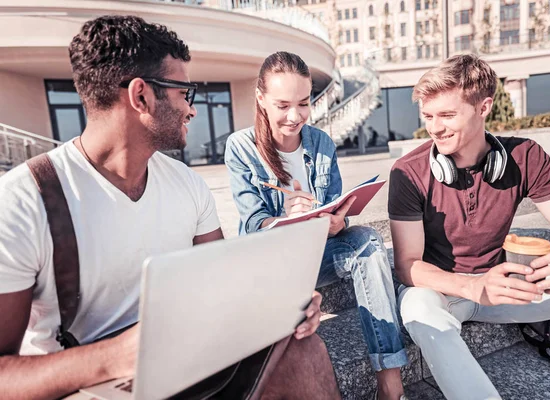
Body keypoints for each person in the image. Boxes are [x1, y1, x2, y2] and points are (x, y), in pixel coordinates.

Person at [0, 16, 340, 400]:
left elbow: (226, 281)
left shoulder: (187, 185)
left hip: (190, 356)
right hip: (88, 383)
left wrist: (282, 301)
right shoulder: (24, 200)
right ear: (141, 96)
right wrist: (117, 357)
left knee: (302, 348)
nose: (192, 109)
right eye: (184, 93)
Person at [389, 54, 550, 400]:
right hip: (444, 290)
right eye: (428, 116)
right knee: (417, 307)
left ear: (484, 107)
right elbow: (407, 265)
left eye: (446, 115)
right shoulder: (409, 172)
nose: (434, 127)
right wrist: (471, 286)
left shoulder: (526, 156)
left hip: (503, 288)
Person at [225, 51, 408, 400]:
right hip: (271, 263)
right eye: (282, 105)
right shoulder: (241, 148)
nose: (295, 116)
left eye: (303, 103)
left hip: (317, 254)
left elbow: (338, 206)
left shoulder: (321, 143)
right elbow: (251, 225)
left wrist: (339, 222)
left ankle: (390, 381)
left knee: (368, 242)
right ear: (261, 99)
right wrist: (285, 219)